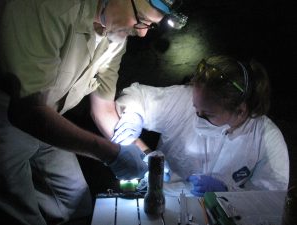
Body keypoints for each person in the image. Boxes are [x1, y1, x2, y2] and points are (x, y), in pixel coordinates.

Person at [0, 0, 187, 224]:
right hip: (7, 116)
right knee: (22, 213)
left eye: (150, 26)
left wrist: (146, 156)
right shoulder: (46, 7)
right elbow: (27, 112)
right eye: (142, 20)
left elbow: (104, 108)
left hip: (51, 115)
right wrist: (110, 153)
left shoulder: (115, 35)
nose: (143, 33)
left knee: (75, 200)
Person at [112, 55, 290, 197]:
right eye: (196, 105)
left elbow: (270, 199)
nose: (196, 112)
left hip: (225, 211)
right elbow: (136, 97)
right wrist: (133, 117)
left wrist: (227, 192)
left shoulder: (267, 137)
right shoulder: (184, 101)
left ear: (241, 111)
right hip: (166, 198)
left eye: (207, 113)